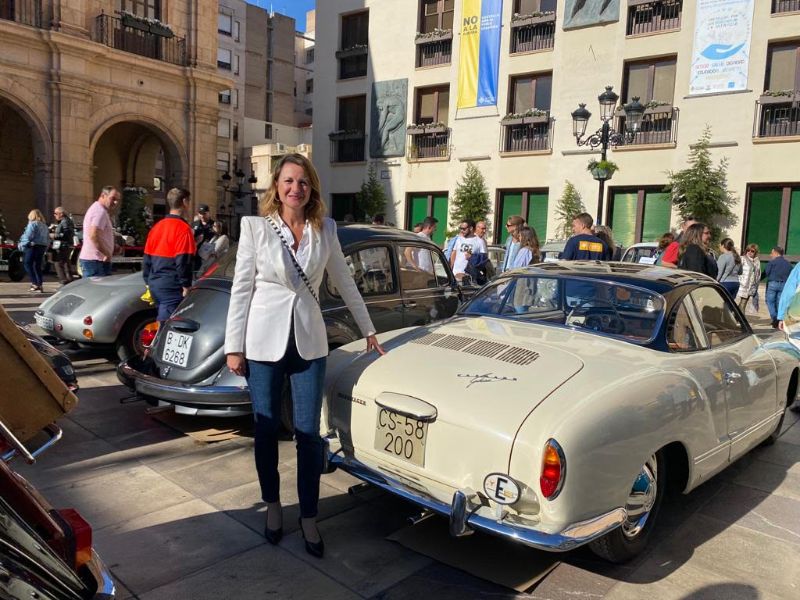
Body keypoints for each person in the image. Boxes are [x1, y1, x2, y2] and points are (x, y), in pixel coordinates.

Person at [224, 153, 385, 559]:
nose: (296, 188)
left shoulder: (325, 229)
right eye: (289, 181)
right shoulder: (257, 229)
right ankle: (274, 507)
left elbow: (346, 283)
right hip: (263, 344)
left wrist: (368, 329)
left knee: (309, 434)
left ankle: (309, 516)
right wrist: (233, 346)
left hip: (310, 344)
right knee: (264, 431)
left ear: (312, 189)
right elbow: (242, 289)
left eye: (304, 182)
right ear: (276, 187)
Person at [142, 188, 197, 323]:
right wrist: (186, 285)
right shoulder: (184, 229)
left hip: (155, 283)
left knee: (163, 321)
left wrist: (148, 281)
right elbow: (183, 261)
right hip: (171, 285)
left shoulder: (157, 227)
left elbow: (147, 258)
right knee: (166, 326)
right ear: (184, 202)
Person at [78, 186, 121, 277]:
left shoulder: (98, 209)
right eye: (113, 198)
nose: (116, 202)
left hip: (96, 260)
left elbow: (98, 235)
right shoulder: (99, 212)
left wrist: (112, 246)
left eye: (117, 200)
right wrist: (107, 253)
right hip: (96, 261)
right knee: (97, 290)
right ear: (103, 195)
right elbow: (93, 235)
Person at [18, 209, 50, 292]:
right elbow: (47, 238)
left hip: (33, 246)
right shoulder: (44, 226)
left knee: (27, 263)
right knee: (37, 266)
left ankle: (34, 283)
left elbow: (28, 235)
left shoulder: (32, 224)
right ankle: (40, 284)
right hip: (42, 247)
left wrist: (24, 243)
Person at [764, 246, 792, 328]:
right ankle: (779, 319)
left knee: (770, 302)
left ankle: (775, 318)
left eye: (772, 253)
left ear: (776, 253)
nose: (770, 255)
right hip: (783, 285)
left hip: (773, 283)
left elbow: (767, 272)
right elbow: (791, 275)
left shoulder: (772, 262)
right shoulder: (788, 264)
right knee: (779, 303)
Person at [50, 206, 76, 285]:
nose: (54, 215)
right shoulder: (65, 221)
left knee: (58, 262)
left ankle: (64, 279)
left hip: (62, 245)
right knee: (65, 262)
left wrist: (54, 235)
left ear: (61, 214)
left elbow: (65, 234)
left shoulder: (65, 221)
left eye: (55, 213)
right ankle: (68, 279)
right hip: (64, 245)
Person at [736, 243, 761, 313]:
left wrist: (756, 286)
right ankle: (742, 320)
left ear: (755, 252)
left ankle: (734, 314)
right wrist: (740, 281)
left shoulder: (757, 261)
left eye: (752, 251)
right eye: (748, 250)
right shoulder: (742, 259)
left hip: (751, 287)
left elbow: (758, 275)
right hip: (743, 285)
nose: (749, 252)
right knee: (743, 303)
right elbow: (737, 271)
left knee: (743, 303)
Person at [192, 204, 215, 270]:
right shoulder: (194, 224)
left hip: (208, 256)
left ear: (208, 213)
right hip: (196, 256)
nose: (202, 216)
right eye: (200, 213)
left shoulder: (214, 225)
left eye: (204, 213)